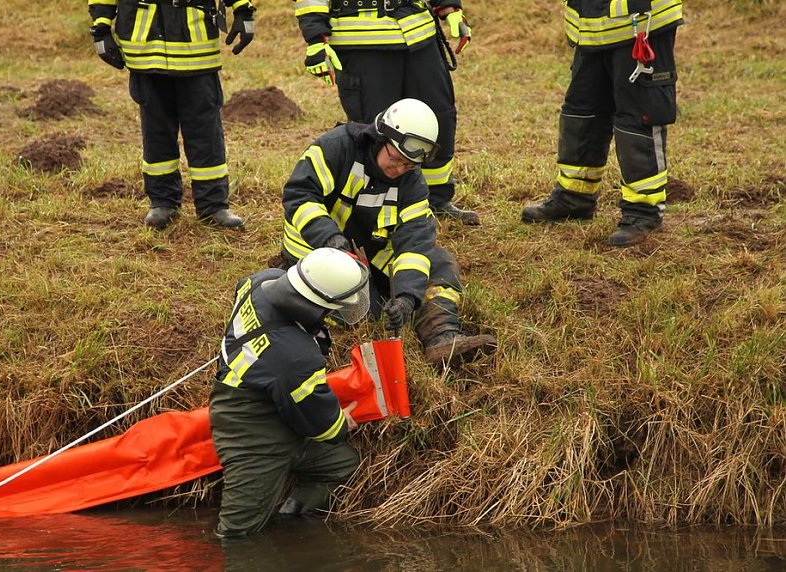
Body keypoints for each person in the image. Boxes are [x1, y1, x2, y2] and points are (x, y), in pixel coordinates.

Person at [279, 97, 496, 366]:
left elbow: (414, 243)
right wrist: (330, 240)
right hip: (316, 249)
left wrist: (406, 298)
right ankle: (287, 273)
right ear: (381, 138)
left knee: (438, 263)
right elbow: (299, 196)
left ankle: (443, 336)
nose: (399, 170)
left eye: (409, 165)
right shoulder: (335, 148)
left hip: (370, 251)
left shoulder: (412, 183)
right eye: (395, 160)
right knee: (365, 314)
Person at [209, 247, 370, 537]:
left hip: (262, 401)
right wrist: (340, 423)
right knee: (236, 533)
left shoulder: (260, 281)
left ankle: (290, 525)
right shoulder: (297, 357)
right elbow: (320, 422)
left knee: (343, 464)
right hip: (250, 435)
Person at [293, 0, 480, 225]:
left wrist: (449, 7)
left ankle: (435, 201)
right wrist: (315, 39)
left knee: (439, 117)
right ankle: (379, 209)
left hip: (419, 35)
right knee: (377, 132)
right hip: (362, 43)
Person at [521, 1, 684, 247]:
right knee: (583, 111)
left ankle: (643, 211)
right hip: (591, 27)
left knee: (638, 116)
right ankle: (575, 197)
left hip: (641, 22)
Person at [87, 0, 255, 230]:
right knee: (156, 132)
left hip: (196, 48)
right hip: (144, 49)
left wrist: (243, 9)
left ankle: (213, 206)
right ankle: (162, 202)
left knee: (205, 132)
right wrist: (100, 26)